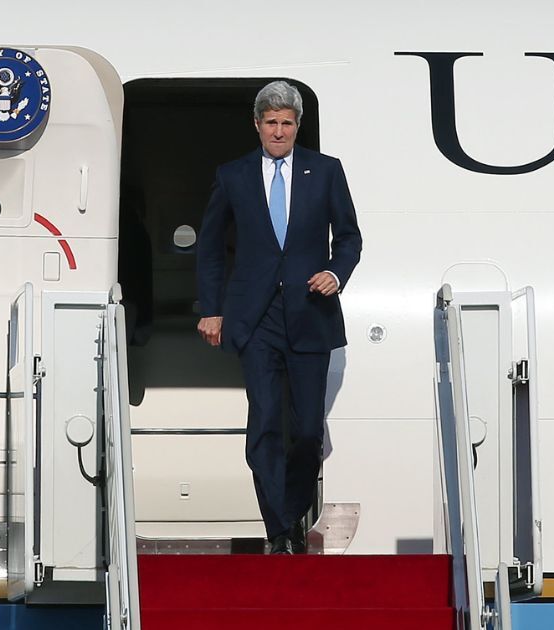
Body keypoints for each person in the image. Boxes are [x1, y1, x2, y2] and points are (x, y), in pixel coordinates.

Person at [195, 81, 362, 554]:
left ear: (297, 126)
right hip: (255, 319)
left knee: (308, 431)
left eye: (287, 122)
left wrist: (335, 271)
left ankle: (289, 513)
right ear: (257, 124)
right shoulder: (233, 175)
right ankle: (280, 530)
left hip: (310, 314)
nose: (279, 130)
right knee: (264, 424)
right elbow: (209, 248)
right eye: (271, 122)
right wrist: (211, 309)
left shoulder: (325, 172)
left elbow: (349, 238)